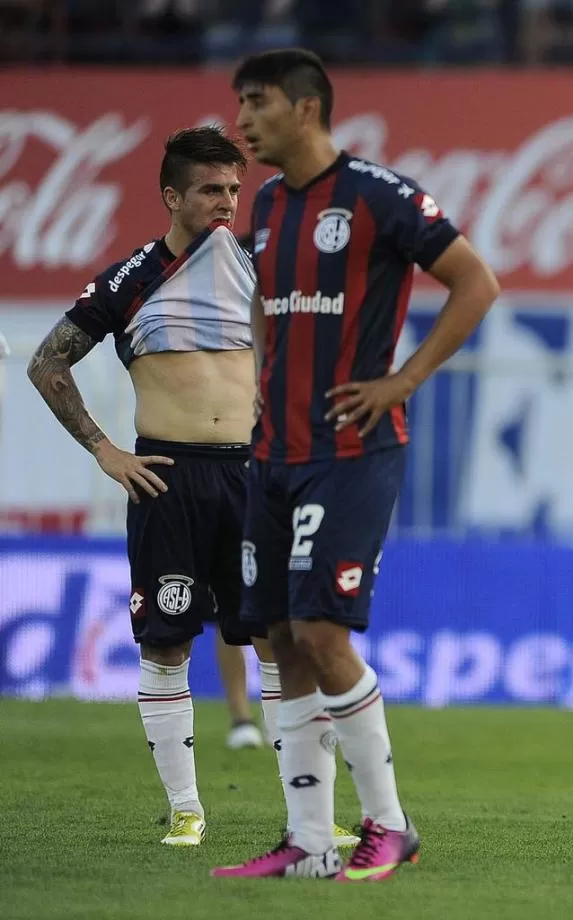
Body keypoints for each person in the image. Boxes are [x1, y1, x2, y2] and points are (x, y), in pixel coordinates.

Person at [211, 48, 500, 881]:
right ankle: (307, 840)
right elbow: (269, 301)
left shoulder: (379, 195)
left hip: (351, 451)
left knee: (324, 634)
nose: (243, 120)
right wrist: (263, 380)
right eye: (239, 104)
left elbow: (476, 282)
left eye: (256, 102)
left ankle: (389, 824)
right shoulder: (265, 204)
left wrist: (404, 379)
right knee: (278, 641)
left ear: (306, 109)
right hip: (276, 452)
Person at [27, 126, 357, 851]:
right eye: (212, 190)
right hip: (166, 479)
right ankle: (186, 810)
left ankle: (312, 814)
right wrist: (106, 450)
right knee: (167, 645)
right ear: (172, 195)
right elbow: (48, 365)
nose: (227, 203)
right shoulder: (128, 281)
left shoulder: (257, 272)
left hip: (252, 478)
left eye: (235, 190)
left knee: (282, 645)